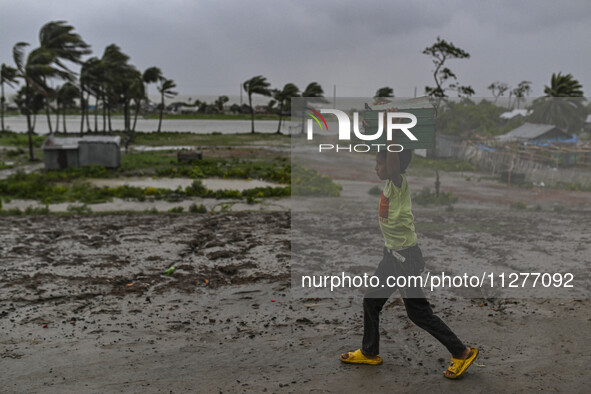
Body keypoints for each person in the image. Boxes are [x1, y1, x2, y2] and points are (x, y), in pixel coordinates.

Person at [340, 113, 478, 379]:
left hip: (407, 258)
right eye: (376, 162)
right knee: (371, 301)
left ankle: (462, 352)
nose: (376, 168)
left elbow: (393, 167)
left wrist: (391, 134)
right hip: (391, 257)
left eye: (379, 163)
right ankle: (369, 353)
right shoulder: (390, 188)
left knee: (418, 313)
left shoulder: (398, 183)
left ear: (393, 165)